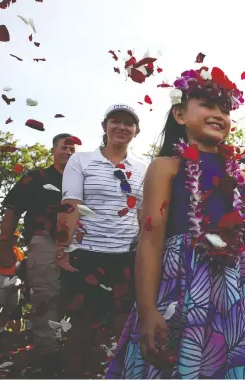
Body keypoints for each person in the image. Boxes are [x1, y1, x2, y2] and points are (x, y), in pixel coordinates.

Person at [105, 66, 245, 379]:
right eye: (207, 106)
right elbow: (151, 240)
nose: (218, 115)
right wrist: (147, 309)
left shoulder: (243, 179)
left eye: (224, 109)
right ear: (180, 116)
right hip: (182, 284)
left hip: (236, 291)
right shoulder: (165, 168)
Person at [55, 104, 147, 378]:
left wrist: (145, 253)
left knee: (124, 322)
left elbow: (143, 214)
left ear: (136, 131)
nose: (122, 127)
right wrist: (63, 247)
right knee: (83, 322)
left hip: (126, 256)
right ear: (104, 126)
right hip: (87, 253)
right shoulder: (81, 160)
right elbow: (70, 203)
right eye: (115, 121)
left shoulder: (143, 167)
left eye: (128, 124)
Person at [0, 133, 76, 375]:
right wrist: (5, 246)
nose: (68, 152)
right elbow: (12, 210)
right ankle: (47, 357)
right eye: (64, 147)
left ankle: (73, 354)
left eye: (73, 148)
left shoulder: (81, 179)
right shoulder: (36, 178)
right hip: (44, 242)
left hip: (79, 247)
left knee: (76, 298)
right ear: (53, 150)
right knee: (45, 295)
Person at [0, 231, 25, 333]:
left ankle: (2, 327)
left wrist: (22, 283)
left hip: (14, 280)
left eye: (16, 237)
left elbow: (22, 269)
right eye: (13, 237)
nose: (14, 239)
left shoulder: (19, 252)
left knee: (10, 306)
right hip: (0, 278)